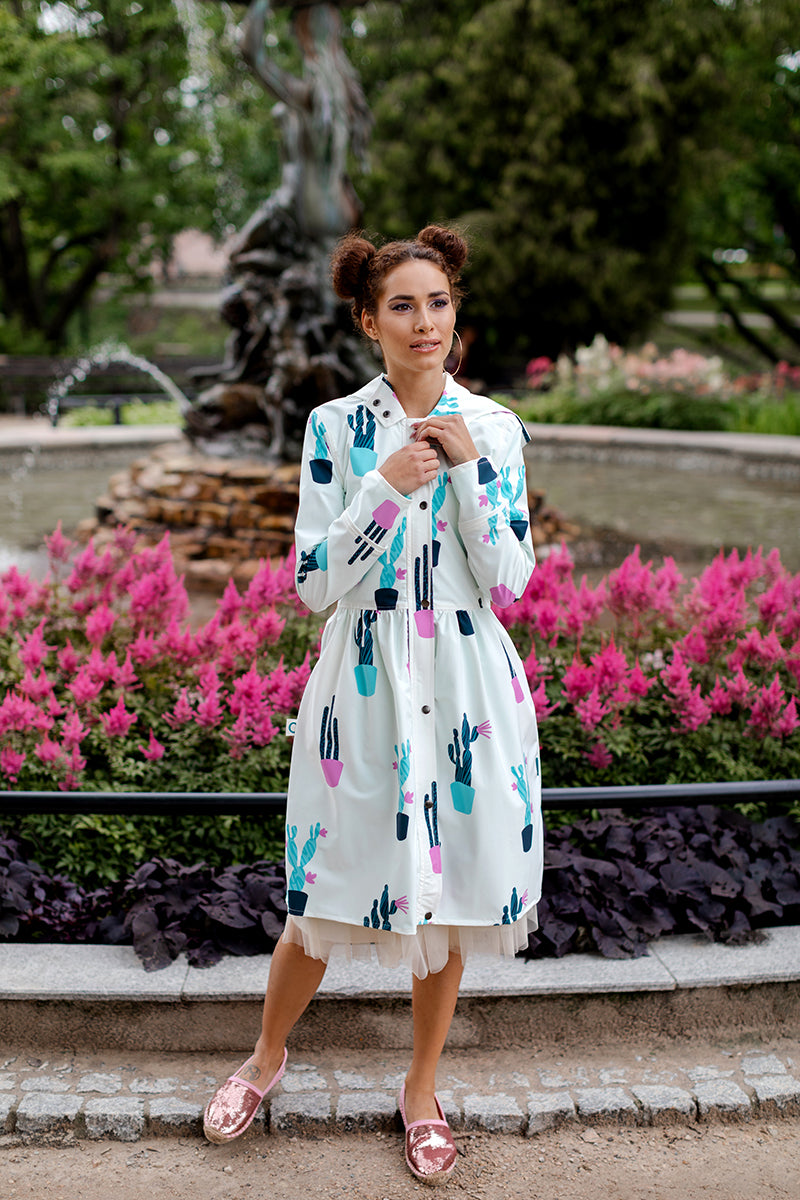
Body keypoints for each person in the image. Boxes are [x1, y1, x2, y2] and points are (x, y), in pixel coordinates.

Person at [203, 225, 544, 1183]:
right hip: (364, 682)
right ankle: (266, 1059)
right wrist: (385, 489)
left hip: (468, 683)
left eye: (437, 302)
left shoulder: (500, 428)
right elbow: (313, 582)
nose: (424, 321)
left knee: (442, 907)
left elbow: (510, 576)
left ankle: (421, 1090)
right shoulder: (334, 431)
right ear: (367, 320)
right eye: (402, 305)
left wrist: (470, 471)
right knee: (319, 894)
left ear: (455, 312)